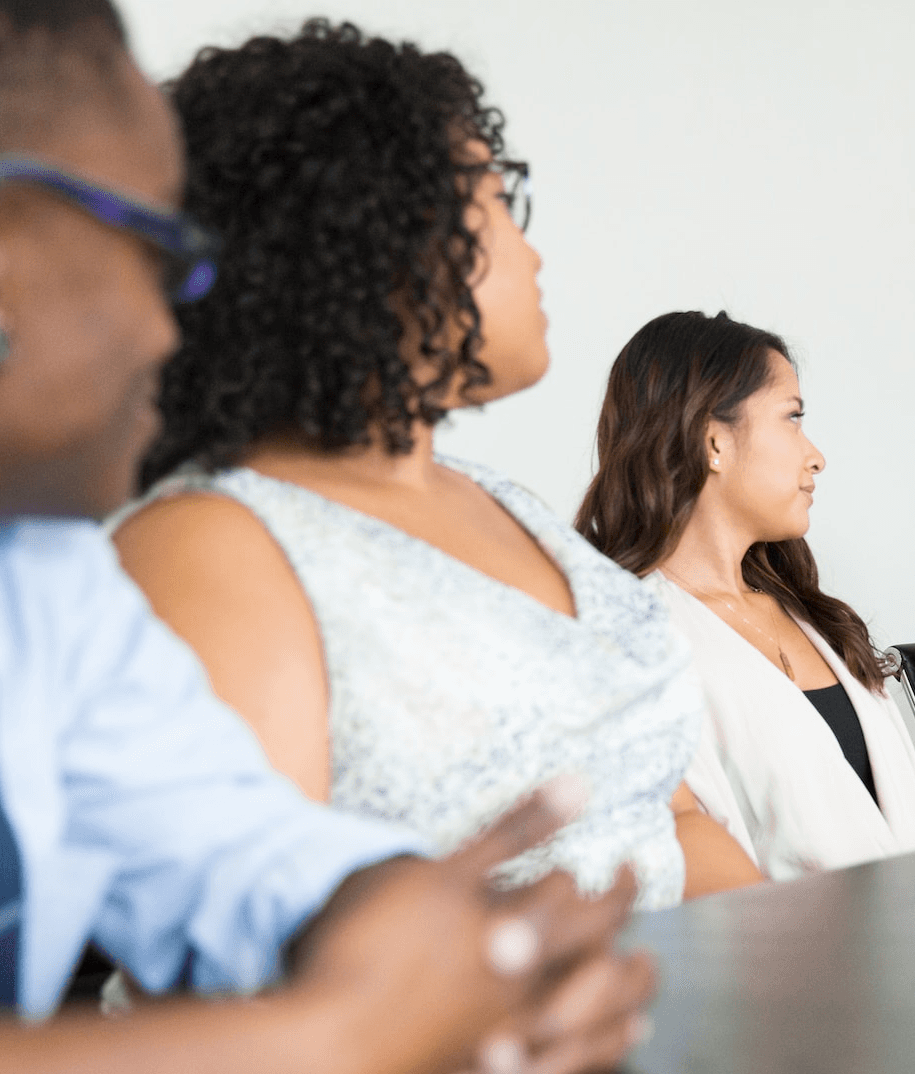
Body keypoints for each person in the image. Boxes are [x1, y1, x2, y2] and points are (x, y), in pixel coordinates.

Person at [0, 3, 652, 1074]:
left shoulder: (32, 572)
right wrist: (336, 1056)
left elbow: (236, 847)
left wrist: (445, 949)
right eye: (161, 249)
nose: (180, 320)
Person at [112, 23, 761, 907]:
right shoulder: (210, 545)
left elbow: (668, 820)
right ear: (372, 230)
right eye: (499, 199)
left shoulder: (507, 505)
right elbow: (257, 968)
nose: (530, 250)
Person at [575, 311, 915, 878]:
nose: (815, 456)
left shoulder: (812, 615)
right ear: (713, 441)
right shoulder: (631, 640)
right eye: (792, 417)